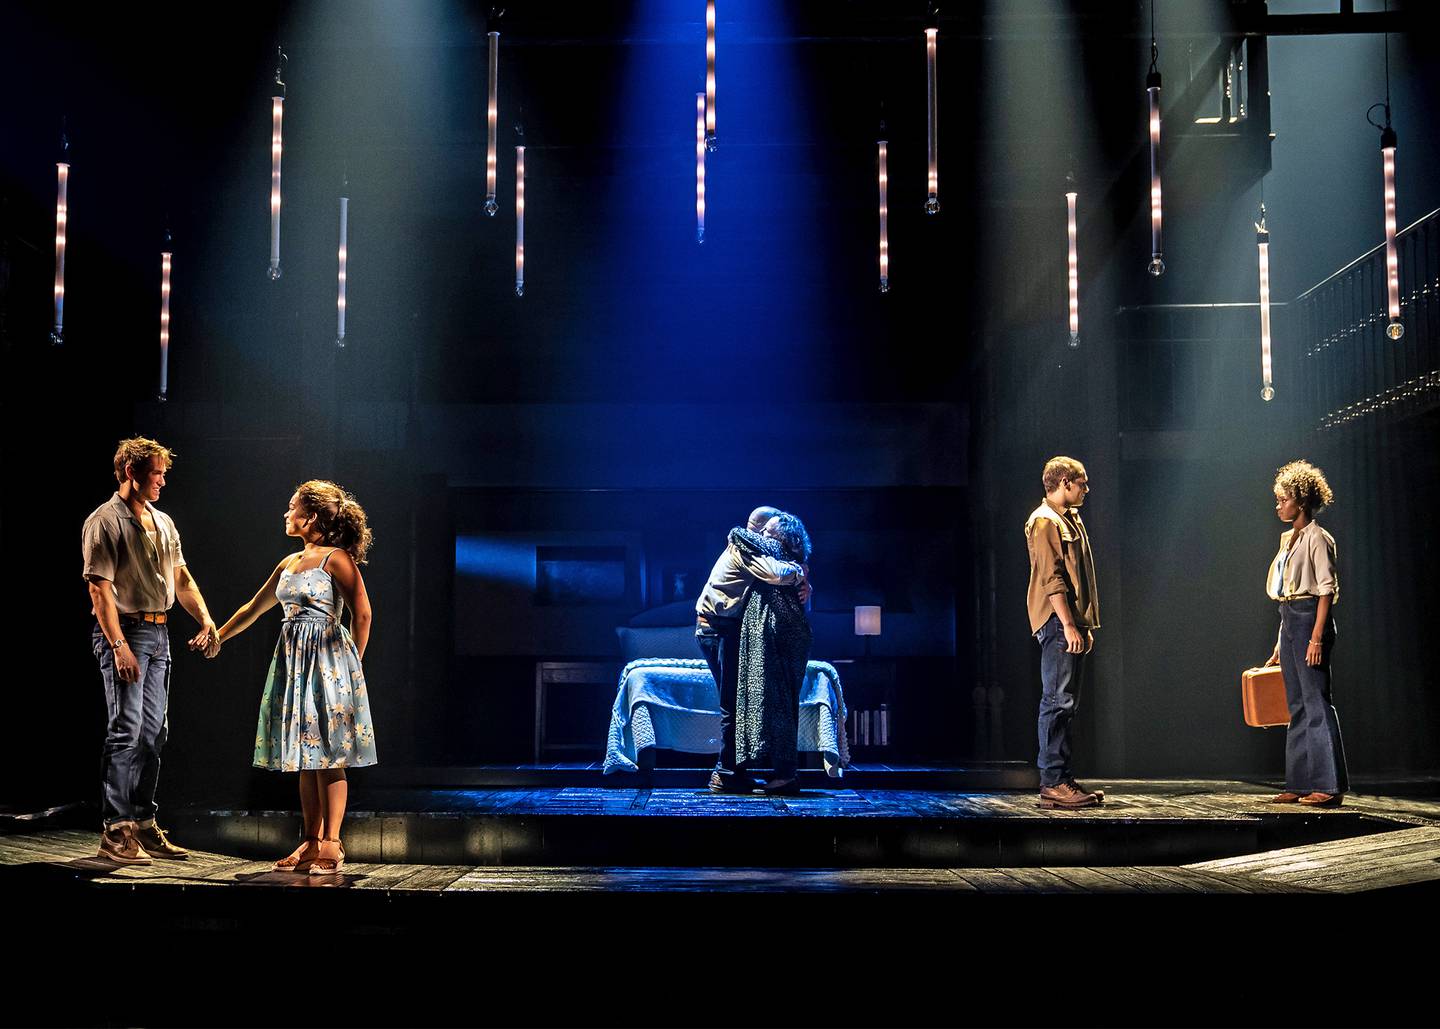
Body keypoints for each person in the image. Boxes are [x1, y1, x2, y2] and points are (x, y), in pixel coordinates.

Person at [204, 481, 376, 873]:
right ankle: (311, 840)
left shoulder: (337, 559)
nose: (285, 513)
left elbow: (362, 614)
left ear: (311, 516)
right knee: (305, 754)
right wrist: (219, 635)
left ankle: (332, 842)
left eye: (291, 506)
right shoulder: (288, 563)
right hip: (294, 662)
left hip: (328, 662)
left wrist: (353, 669)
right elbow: (254, 607)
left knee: (331, 754)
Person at [83, 437, 219, 864]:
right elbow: (99, 589)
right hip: (127, 632)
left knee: (153, 733)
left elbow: (181, 578)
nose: (162, 480)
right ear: (131, 472)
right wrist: (118, 645)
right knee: (125, 729)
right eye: (156, 473)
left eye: (163, 472)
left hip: (159, 635)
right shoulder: (105, 521)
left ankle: (142, 824)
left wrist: (206, 618)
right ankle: (115, 829)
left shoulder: (163, 521)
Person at [695, 506, 809, 793]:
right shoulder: (743, 545)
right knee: (732, 703)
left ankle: (734, 772)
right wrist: (800, 571)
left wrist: (806, 580)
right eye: (765, 529)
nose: (764, 534)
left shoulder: (759, 547)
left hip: (726, 628)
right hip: (718, 628)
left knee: (737, 702)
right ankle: (725, 773)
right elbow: (773, 573)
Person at [1263, 460, 1348, 807]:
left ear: (1301, 500)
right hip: (1290, 619)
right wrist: (1281, 642)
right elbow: (1286, 592)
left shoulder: (1318, 538)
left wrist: (1315, 638)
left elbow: (1326, 591)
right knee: (1296, 705)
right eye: (1278, 499)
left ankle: (1328, 785)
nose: (1279, 505)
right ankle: (1299, 782)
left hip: (1311, 618)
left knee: (1316, 703)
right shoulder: (1289, 539)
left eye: (1284, 499)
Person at [1024, 456, 1104, 809]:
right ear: (1064, 482)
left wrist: (1082, 624)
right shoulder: (1044, 522)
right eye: (1081, 482)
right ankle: (1053, 782)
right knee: (1057, 700)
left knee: (1067, 702)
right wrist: (1069, 624)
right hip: (1057, 620)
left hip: (1069, 620)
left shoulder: (1068, 518)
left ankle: (1061, 777)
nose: (1086, 489)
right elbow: (1052, 578)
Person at [733, 512, 814, 795]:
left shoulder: (776, 555)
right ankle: (783, 772)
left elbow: (737, 534)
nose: (762, 534)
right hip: (787, 633)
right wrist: (803, 572)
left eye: (769, 531)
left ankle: (786, 775)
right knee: (780, 703)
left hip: (783, 635)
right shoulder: (786, 560)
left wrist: (802, 574)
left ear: (784, 539)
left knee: (779, 703)